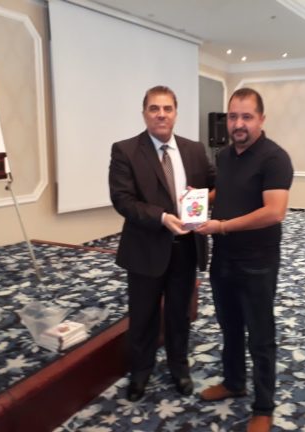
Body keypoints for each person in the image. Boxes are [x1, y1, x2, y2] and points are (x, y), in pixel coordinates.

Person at [195, 88, 293, 432]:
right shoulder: (224, 156)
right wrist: (197, 200)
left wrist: (222, 226)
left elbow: (274, 211)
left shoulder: (275, 158)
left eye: (246, 117)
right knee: (230, 327)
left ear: (261, 119)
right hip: (223, 259)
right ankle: (234, 382)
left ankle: (264, 407)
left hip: (257, 263)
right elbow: (226, 189)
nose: (238, 124)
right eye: (233, 116)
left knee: (260, 337)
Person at [109, 85, 215, 401]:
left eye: (167, 108)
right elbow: (122, 200)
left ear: (175, 113)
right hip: (146, 249)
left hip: (186, 248)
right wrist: (162, 217)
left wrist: (204, 200)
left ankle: (179, 368)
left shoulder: (194, 150)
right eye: (154, 108)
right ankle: (140, 372)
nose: (161, 114)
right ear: (144, 113)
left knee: (179, 314)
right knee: (143, 316)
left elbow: (215, 184)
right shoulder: (126, 150)